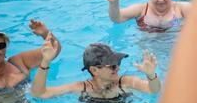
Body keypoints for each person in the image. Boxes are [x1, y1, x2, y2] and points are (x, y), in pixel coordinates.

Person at [30, 39, 160, 99]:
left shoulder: (125, 82)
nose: (118, 67)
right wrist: (45, 61)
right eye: (113, 65)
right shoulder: (81, 87)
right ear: (94, 70)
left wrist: (151, 74)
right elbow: (39, 93)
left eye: (118, 62)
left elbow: (153, 90)